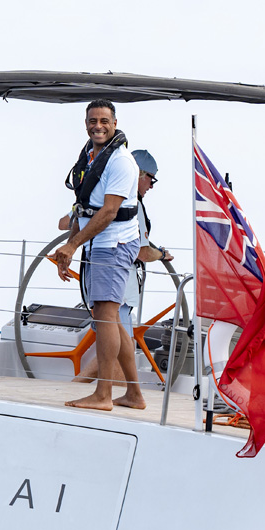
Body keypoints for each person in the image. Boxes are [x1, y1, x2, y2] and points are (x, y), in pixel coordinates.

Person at [52, 100, 144, 410]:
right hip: (97, 244)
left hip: (114, 244)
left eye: (104, 120)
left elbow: (108, 212)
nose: (98, 126)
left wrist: (72, 245)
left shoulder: (121, 162)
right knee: (112, 319)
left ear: (115, 124)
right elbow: (82, 207)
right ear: (86, 123)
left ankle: (103, 394)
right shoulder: (90, 158)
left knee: (106, 315)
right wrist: (69, 247)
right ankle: (134, 394)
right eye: (93, 120)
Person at [70, 148, 174, 384]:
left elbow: (65, 222)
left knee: (111, 342)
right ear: (137, 174)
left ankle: (79, 389)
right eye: (151, 179)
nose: (151, 186)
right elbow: (142, 252)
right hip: (120, 287)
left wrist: (79, 217)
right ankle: (118, 398)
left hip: (98, 280)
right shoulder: (131, 206)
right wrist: (162, 254)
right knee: (117, 345)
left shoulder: (99, 199)